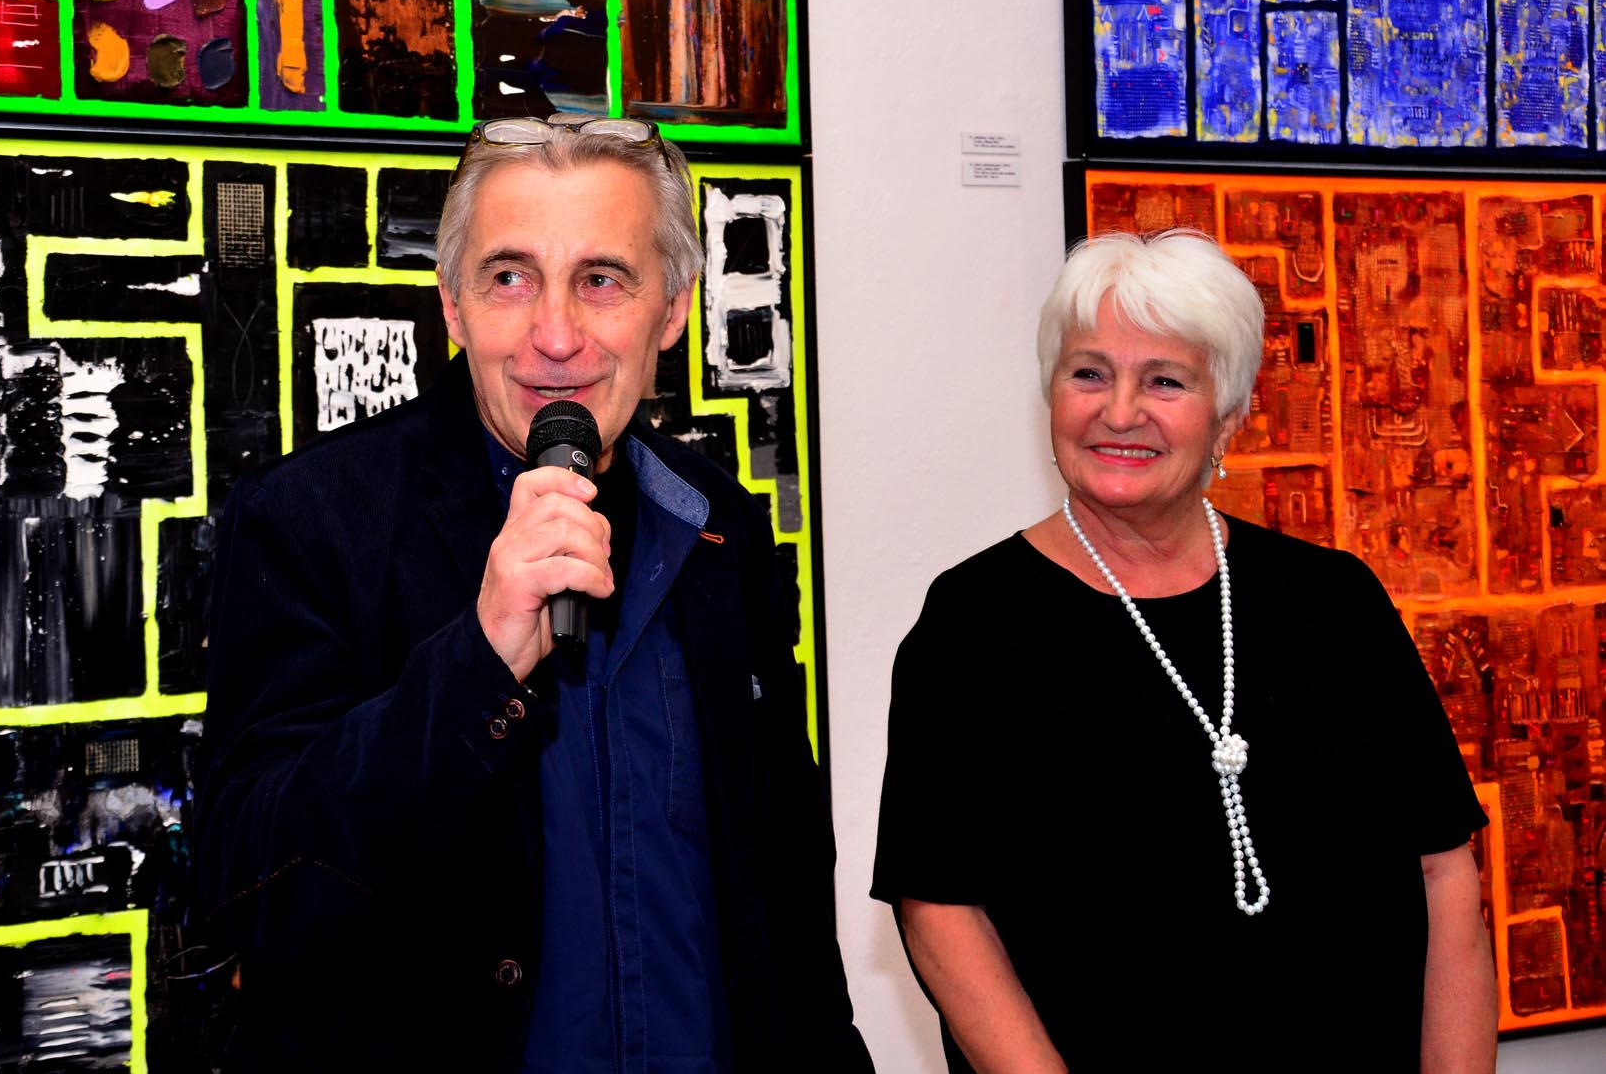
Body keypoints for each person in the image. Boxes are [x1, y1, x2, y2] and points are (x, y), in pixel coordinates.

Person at [198, 114, 871, 1071]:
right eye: (510, 278)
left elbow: (787, 874)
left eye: (601, 280)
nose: (556, 337)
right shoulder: (312, 520)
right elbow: (251, 891)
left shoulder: (717, 522)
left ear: (672, 310)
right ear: (454, 305)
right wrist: (476, 664)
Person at [872, 229, 1495, 1073]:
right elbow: (941, 911)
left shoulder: (1338, 600)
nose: (1120, 410)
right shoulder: (971, 624)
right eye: (1089, 373)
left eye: (1165, 380)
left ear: (1228, 416)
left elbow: (1445, 872)